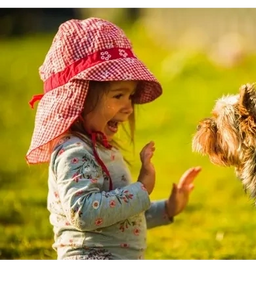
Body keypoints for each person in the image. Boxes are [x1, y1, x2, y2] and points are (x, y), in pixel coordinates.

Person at [26, 17, 202, 262]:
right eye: (118, 95)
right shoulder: (73, 152)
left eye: (130, 96)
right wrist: (141, 189)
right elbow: (85, 212)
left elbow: (118, 216)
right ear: (80, 97)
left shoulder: (101, 149)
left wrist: (168, 208)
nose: (129, 108)